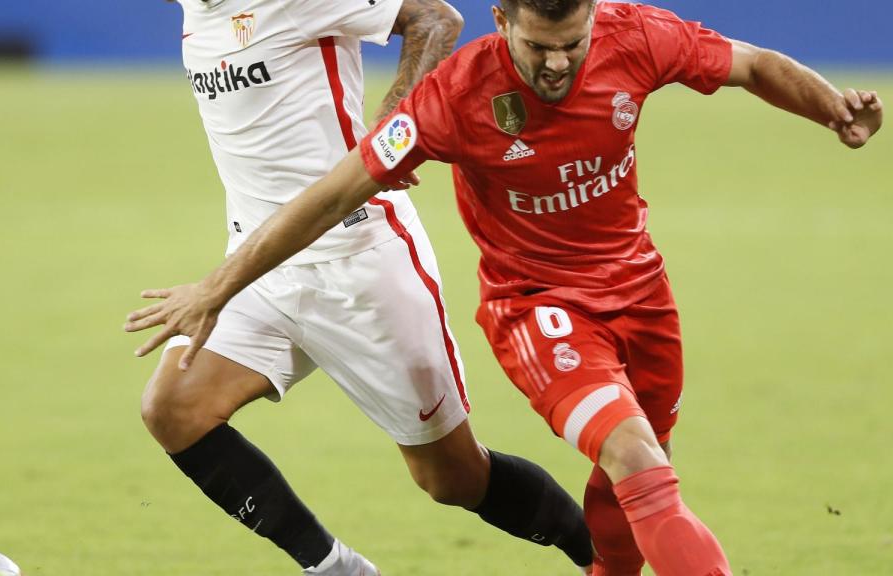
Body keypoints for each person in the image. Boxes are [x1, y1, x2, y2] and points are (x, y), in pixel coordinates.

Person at [126, 0, 884, 575]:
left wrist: (831, 109)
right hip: (497, 301)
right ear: (506, 22)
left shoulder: (636, 37)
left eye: (572, 46)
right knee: (171, 409)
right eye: (539, 47)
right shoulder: (447, 95)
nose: (558, 66)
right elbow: (331, 189)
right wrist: (218, 285)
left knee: (487, 482)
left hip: (451, 275)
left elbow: (747, 64)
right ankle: (336, 568)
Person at [125, 0, 594, 574]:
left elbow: (436, 19)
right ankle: (335, 567)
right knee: (174, 409)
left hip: (362, 261)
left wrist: (396, 126)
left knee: (452, 479)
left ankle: (607, 555)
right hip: (261, 263)